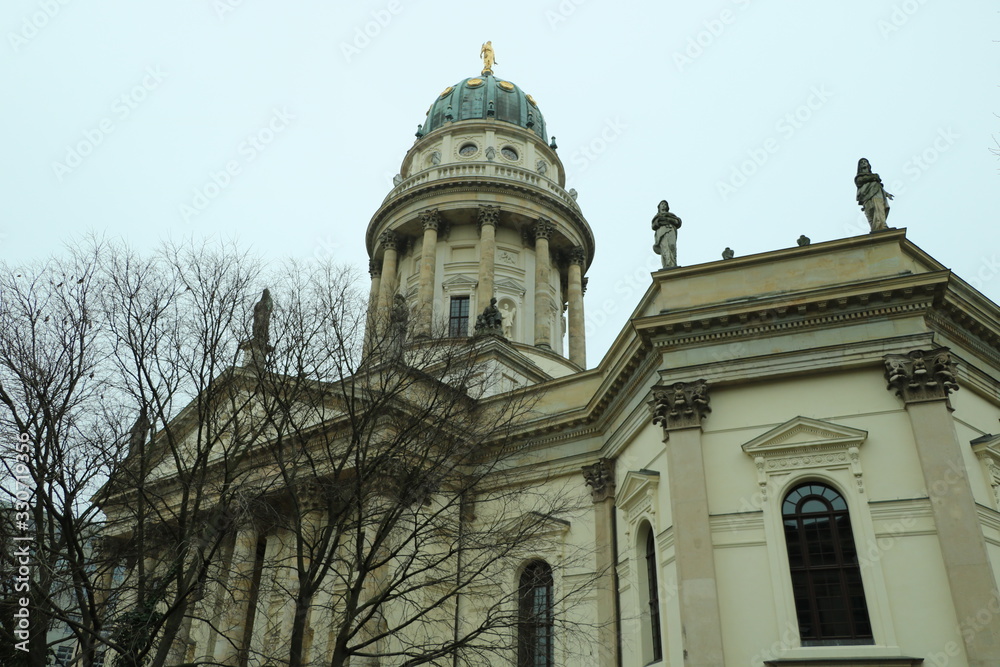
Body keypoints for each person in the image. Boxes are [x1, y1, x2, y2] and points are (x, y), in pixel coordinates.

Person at [855, 158, 893, 231]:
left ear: (868, 164)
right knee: (871, 212)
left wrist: (886, 194)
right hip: (867, 196)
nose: (863, 163)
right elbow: (860, 181)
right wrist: (874, 177)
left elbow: (879, 187)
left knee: (879, 209)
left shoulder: (875, 180)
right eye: (861, 162)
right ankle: (876, 227)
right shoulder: (859, 177)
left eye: (865, 162)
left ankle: (882, 226)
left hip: (877, 195)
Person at [651, 200, 682, 269]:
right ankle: (667, 265)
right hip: (662, 232)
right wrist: (661, 221)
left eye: (665, 204)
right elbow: (654, 225)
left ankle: (673, 263)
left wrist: (667, 219)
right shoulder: (657, 217)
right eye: (662, 204)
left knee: (672, 246)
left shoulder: (671, 215)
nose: (663, 205)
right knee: (665, 248)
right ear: (659, 207)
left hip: (671, 230)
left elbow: (677, 222)